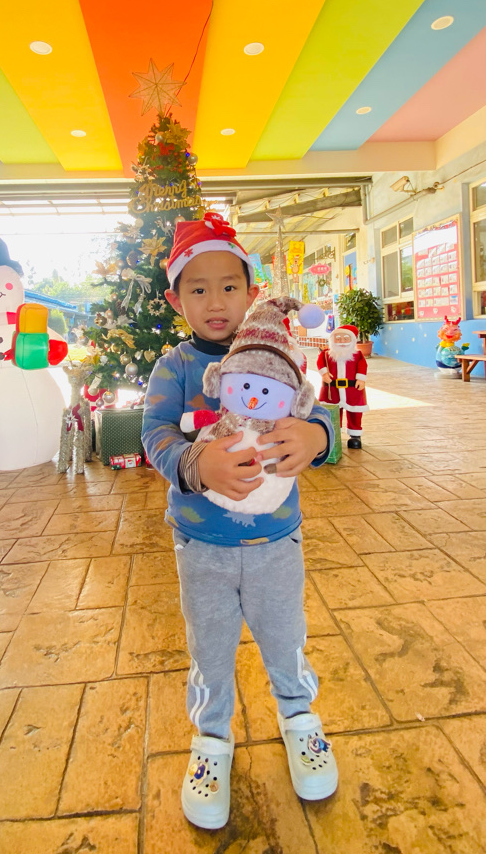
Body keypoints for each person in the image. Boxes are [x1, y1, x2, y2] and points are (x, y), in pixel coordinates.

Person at [142, 213, 338, 831]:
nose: (215, 301)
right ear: (176, 299)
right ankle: (211, 738)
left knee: (285, 636)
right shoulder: (174, 367)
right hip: (201, 547)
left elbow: (319, 409)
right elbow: (155, 434)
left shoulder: (279, 353)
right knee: (210, 647)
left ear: (252, 292)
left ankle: (299, 718)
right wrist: (195, 463)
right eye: (197, 289)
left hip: (277, 542)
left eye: (229, 286)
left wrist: (316, 436)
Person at [316, 325, 368, 449]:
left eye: (345, 338)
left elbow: (362, 366)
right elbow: (320, 363)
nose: (342, 341)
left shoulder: (357, 355)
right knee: (332, 411)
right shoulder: (326, 354)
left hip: (352, 389)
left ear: (352, 340)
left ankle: (355, 435)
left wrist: (361, 379)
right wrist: (324, 373)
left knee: (355, 412)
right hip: (332, 389)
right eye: (338, 338)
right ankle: (334, 432)